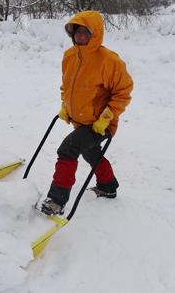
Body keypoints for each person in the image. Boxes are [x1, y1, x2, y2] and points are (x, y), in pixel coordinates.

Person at [35, 11, 133, 216]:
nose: (80, 36)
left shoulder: (109, 60)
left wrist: (106, 118)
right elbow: (67, 86)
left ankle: (56, 201)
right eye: (76, 31)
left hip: (100, 124)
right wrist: (65, 106)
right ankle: (108, 186)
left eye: (85, 32)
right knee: (90, 152)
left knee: (68, 149)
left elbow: (123, 93)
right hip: (79, 121)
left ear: (95, 33)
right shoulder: (70, 56)